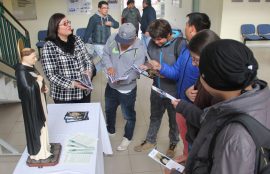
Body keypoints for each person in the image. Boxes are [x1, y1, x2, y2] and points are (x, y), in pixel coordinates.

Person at [169, 39, 270, 174]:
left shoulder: (235, 138)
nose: (195, 66)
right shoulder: (260, 96)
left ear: (210, 81)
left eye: (199, 67)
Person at [148, 12, 211, 161]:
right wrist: (160, 67)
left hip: (195, 109)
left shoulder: (207, 51)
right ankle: (187, 157)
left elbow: (213, 84)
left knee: (196, 141)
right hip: (182, 103)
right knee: (187, 138)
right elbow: (176, 72)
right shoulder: (186, 48)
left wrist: (198, 90)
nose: (185, 26)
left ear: (192, 28)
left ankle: (191, 161)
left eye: (186, 23)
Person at [134, 19, 184, 158]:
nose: (156, 42)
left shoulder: (180, 44)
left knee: (174, 120)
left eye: (160, 39)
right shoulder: (152, 42)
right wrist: (147, 67)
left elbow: (182, 72)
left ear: (169, 34)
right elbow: (150, 62)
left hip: (174, 92)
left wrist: (163, 71)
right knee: (155, 116)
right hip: (156, 88)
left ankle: (174, 142)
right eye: (154, 39)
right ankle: (150, 140)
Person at [101, 23, 146, 151]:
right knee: (109, 110)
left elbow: (137, 70)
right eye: (121, 40)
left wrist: (124, 79)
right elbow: (105, 54)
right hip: (111, 86)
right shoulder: (113, 39)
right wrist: (109, 66)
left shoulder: (140, 48)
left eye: (126, 42)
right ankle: (110, 129)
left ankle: (128, 137)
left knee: (129, 115)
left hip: (127, 89)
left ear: (134, 38)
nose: (122, 44)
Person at [42, 13, 94, 103]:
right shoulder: (49, 46)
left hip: (84, 91)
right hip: (64, 95)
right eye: (65, 23)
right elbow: (51, 75)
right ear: (55, 28)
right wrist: (73, 83)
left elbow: (87, 59)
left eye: (68, 22)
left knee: (84, 115)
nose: (69, 25)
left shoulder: (77, 39)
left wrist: (89, 71)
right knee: (69, 117)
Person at [15, 48, 52, 161]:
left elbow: (35, 79)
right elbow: (26, 90)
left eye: (35, 57)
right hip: (32, 107)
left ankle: (45, 148)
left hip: (38, 101)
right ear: (24, 57)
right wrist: (39, 82)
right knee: (38, 128)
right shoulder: (21, 71)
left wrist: (43, 86)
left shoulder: (29, 66)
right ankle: (40, 153)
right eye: (33, 58)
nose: (36, 60)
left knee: (44, 126)